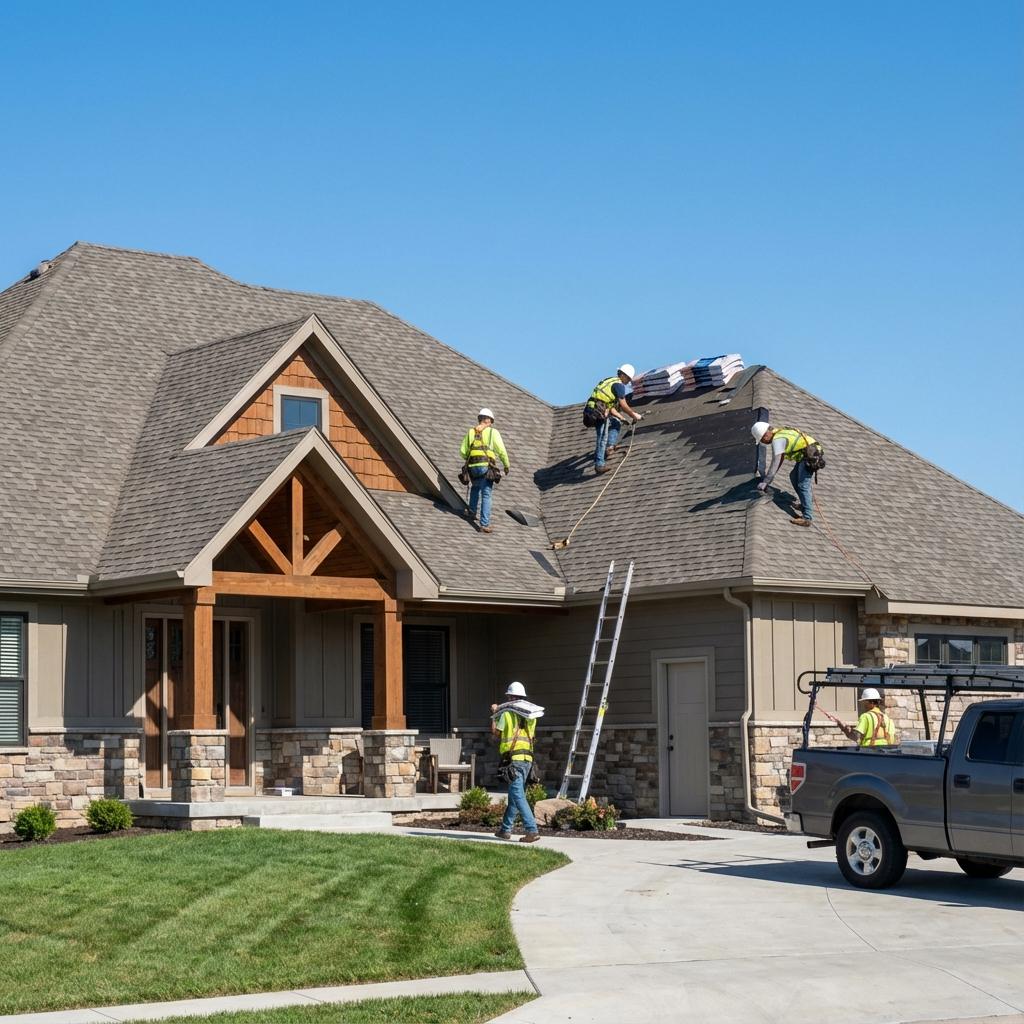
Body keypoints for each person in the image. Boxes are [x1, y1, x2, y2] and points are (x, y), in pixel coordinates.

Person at [490, 681, 540, 843]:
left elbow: (495, 733)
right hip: (527, 760)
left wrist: (494, 714)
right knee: (514, 794)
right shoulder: (531, 716)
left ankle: (532, 830)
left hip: (513, 761)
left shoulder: (506, 714)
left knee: (518, 795)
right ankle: (505, 829)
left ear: (510, 697)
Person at [751, 421, 823, 527]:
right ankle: (805, 505)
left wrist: (766, 482)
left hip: (811, 456)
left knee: (803, 485)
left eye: (762, 440)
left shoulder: (778, 440)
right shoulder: (780, 432)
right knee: (793, 477)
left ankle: (807, 518)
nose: (764, 442)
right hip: (808, 453)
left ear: (766, 435)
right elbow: (780, 459)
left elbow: (775, 462)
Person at [585, 365, 643, 475]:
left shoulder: (609, 381)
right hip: (598, 411)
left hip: (593, 409)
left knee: (616, 422)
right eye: (628, 379)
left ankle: (609, 447)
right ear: (623, 375)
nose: (628, 382)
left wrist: (622, 418)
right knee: (602, 437)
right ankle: (599, 465)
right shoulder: (618, 385)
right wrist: (634, 415)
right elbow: (623, 405)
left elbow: (610, 407)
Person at [460, 408, 510, 534]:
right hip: (486, 467)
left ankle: (472, 511)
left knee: (475, 487)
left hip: (472, 467)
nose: (491, 423)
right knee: (486, 493)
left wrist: (472, 459)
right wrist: (506, 465)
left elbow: (463, 451)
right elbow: (501, 451)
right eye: (491, 421)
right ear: (488, 420)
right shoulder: (493, 432)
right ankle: (484, 524)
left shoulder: (471, 432)